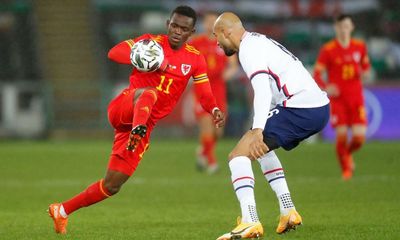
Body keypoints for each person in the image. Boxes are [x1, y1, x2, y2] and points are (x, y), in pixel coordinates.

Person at [48, 5, 225, 234]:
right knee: (149, 92)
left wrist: (214, 109)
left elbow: (204, 92)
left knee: (112, 185)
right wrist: (146, 58)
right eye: (174, 25)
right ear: (167, 24)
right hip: (126, 106)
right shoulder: (150, 43)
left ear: (191, 33)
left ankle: (61, 210)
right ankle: (138, 128)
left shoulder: (195, 59)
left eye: (183, 28)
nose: (177, 31)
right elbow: (113, 53)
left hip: (143, 125)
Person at [212, 12, 330, 239]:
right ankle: (288, 210)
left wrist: (257, 129)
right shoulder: (258, 41)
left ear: (227, 31)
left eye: (216, 36)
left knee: (238, 155)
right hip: (315, 107)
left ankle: (250, 221)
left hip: (300, 107)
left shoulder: (249, 49)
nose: (216, 43)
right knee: (260, 150)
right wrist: (259, 131)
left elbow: (262, 90)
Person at [313, 14, 371, 180]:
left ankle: (346, 154)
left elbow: (366, 69)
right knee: (342, 136)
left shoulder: (360, 47)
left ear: (352, 27)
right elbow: (317, 74)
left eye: (347, 26)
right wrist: (326, 87)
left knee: (359, 138)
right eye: (341, 26)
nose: (344, 30)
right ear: (336, 28)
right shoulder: (328, 49)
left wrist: (365, 74)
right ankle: (346, 170)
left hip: (356, 98)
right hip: (338, 100)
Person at [189, 11, 238, 174]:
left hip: (219, 90)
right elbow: (186, 61)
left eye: (214, 22)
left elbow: (233, 66)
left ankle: (203, 151)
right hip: (201, 89)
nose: (210, 24)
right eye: (208, 21)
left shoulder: (223, 43)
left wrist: (226, 75)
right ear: (203, 24)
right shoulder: (196, 42)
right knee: (206, 125)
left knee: (218, 130)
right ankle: (211, 162)